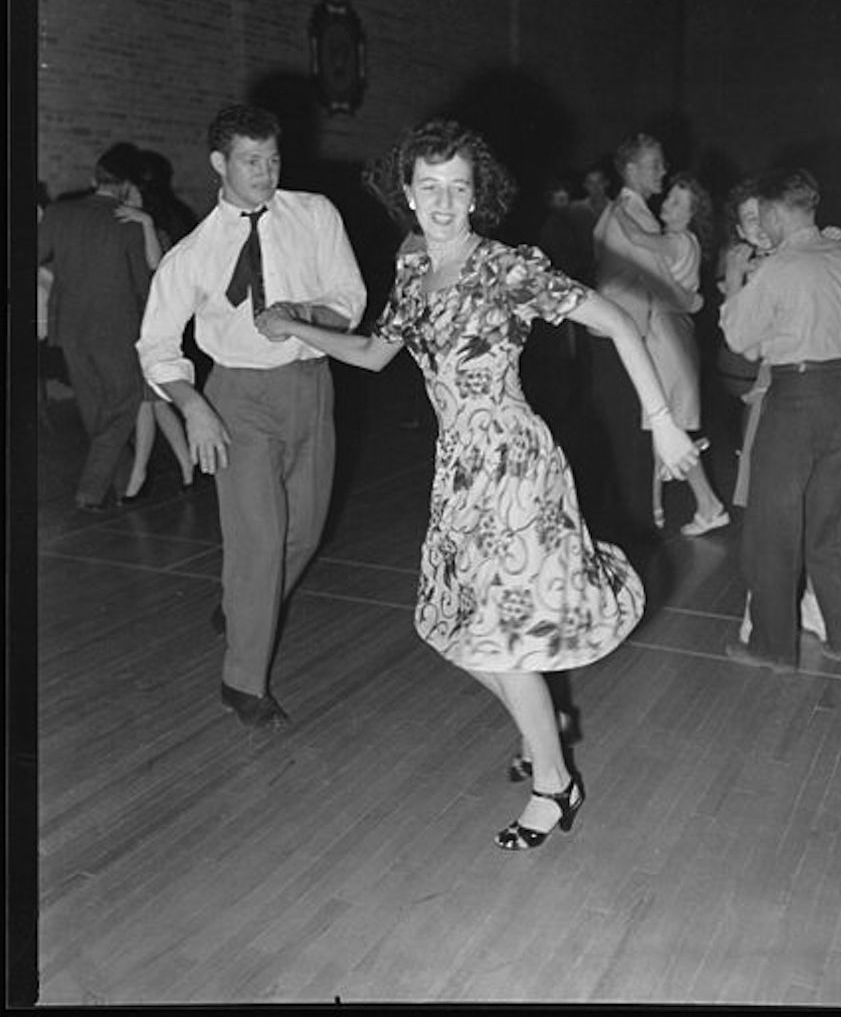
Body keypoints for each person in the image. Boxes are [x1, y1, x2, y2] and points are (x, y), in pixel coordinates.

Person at [254, 119, 704, 850]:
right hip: (458, 464)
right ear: (407, 192)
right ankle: (544, 724)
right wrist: (295, 328)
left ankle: (554, 786)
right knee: (451, 628)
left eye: (457, 189)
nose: (442, 201)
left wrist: (663, 420)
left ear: (476, 196)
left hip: (514, 462)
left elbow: (618, 321)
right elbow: (373, 354)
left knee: (494, 638)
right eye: (428, 187)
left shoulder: (506, 267)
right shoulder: (409, 271)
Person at [136, 104, 367, 730]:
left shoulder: (315, 215)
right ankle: (243, 683)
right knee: (259, 543)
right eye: (250, 161)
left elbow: (350, 299)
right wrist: (194, 407)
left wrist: (300, 317)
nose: (265, 173)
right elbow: (156, 345)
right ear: (219, 163)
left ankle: (242, 604)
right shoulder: (193, 252)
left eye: (272, 160)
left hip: (311, 387)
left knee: (305, 534)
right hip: (236, 398)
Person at [720, 169, 841, 673]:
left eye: (762, 213)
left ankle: (771, 647)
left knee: (772, 525)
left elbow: (740, 339)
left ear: (776, 212)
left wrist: (734, 278)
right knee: (833, 523)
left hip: (797, 397)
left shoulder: (780, 266)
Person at [38, 143, 152, 510]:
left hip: (69, 326)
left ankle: (115, 483)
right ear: (125, 186)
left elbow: (31, 255)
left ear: (93, 179)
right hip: (117, 328)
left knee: (92, 405)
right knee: (127, 400)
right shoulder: (128, 223)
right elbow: (144, 286)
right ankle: (90, 488)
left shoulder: (58, 213)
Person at [613, 172, 727, 535]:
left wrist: (616, 206)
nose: (668, 205)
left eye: (679, 203)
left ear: (692, 213)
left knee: (665, 422)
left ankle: (691, 508)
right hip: (676, 330)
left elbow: (633, 237)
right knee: (670, 424)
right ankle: (696, 506)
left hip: (666, 332)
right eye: (669, 199)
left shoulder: (677, 240)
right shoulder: (686, 241)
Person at [586, 132, 670, 543]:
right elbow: (659, 280)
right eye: (655, 164)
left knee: (627, 432)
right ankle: (631, 534)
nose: (663, 172)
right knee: (629, 435)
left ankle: (625, 528)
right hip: (620, 337)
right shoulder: (629, 215)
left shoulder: (626, 212)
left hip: (621, 335)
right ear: (632, 170)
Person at [114, 172, 195, 501]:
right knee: (156, 403)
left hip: (157, 325)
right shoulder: (123, 231)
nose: (127, 201)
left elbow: (157, 266)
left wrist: (146, 223)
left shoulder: (157, 230)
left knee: (150, 401)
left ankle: (139, 475)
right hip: (134, 323)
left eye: (132, 194)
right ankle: (188, 467)